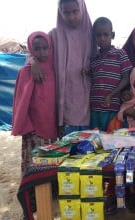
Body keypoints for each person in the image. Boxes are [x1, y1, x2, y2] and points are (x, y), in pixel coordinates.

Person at [31, 0, 96, 137]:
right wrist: (33, 62)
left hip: (87, 99)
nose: (71, 16)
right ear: (59, 12)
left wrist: (90, 67)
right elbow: (36, 51)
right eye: (66, 12)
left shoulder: (92, 34)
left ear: (82, 9)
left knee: (86, 145)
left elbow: (101, 58)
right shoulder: (54, 35)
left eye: (75, 11)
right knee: (67, 145)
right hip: (63, 98)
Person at [12, 31, 57, 177]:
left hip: (51, 125)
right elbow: (21, 103)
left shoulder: (54, 70)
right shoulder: (26, 72)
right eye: (37, 48)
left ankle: (49, 191)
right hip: (34, 129)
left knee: (50, 161)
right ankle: (31, 194)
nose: (42, 52)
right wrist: (26, 125)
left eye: (45, 48)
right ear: (31, 49)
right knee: (34, 162)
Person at [89, 17, 132, 131]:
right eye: (98, 35)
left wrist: (111, 94)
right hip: (95, 107)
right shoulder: (93, 58)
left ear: (112, 35)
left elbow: (126, 78)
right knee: (96, 140)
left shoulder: (120, 54)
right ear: (94, 37)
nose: (102, 38)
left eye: (105, 34)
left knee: (112, 139)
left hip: (112, 107)